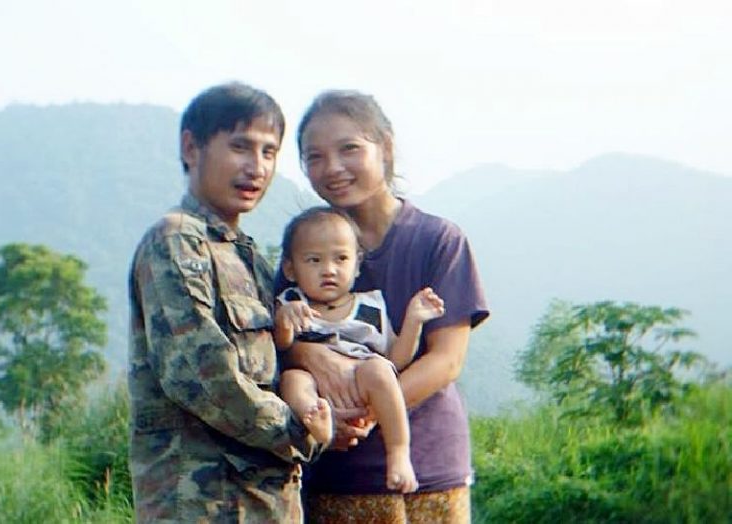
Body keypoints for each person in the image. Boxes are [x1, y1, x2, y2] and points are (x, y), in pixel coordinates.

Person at [276, 90, 490, 523]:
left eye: (349, 148)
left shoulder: (438, 241)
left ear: (386, 147)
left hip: (426, 469)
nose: (332, 168)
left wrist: (368, 412)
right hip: (336, 469)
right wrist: (307, 358)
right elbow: (279, 341)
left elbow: (447, 361)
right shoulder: (305, 246)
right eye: (314, 156)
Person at [127, 82, 331, 523]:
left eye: (269, 152)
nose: (256, 167)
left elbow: (273, 364)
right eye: (240, 147)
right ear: (191, 147)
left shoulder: (248, 254)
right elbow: (200, 374)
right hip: (204, 504)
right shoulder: (178, 240)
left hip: (263, 501)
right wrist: (298, 429)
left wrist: (325, 410)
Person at [274, 206, 446, 494]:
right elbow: (279, 347)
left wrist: (414, 320)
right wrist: (284, 320)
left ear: (356, 265)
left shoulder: (370, 307)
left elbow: (396, 359)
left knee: (380, 369)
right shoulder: (291, 302)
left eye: (340, 259)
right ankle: (318, 425)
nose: (329, 270)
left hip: (361, 375)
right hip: (315, 385)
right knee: (294, 380)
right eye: (314, 260)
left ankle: (399, 453)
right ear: (290, 269)